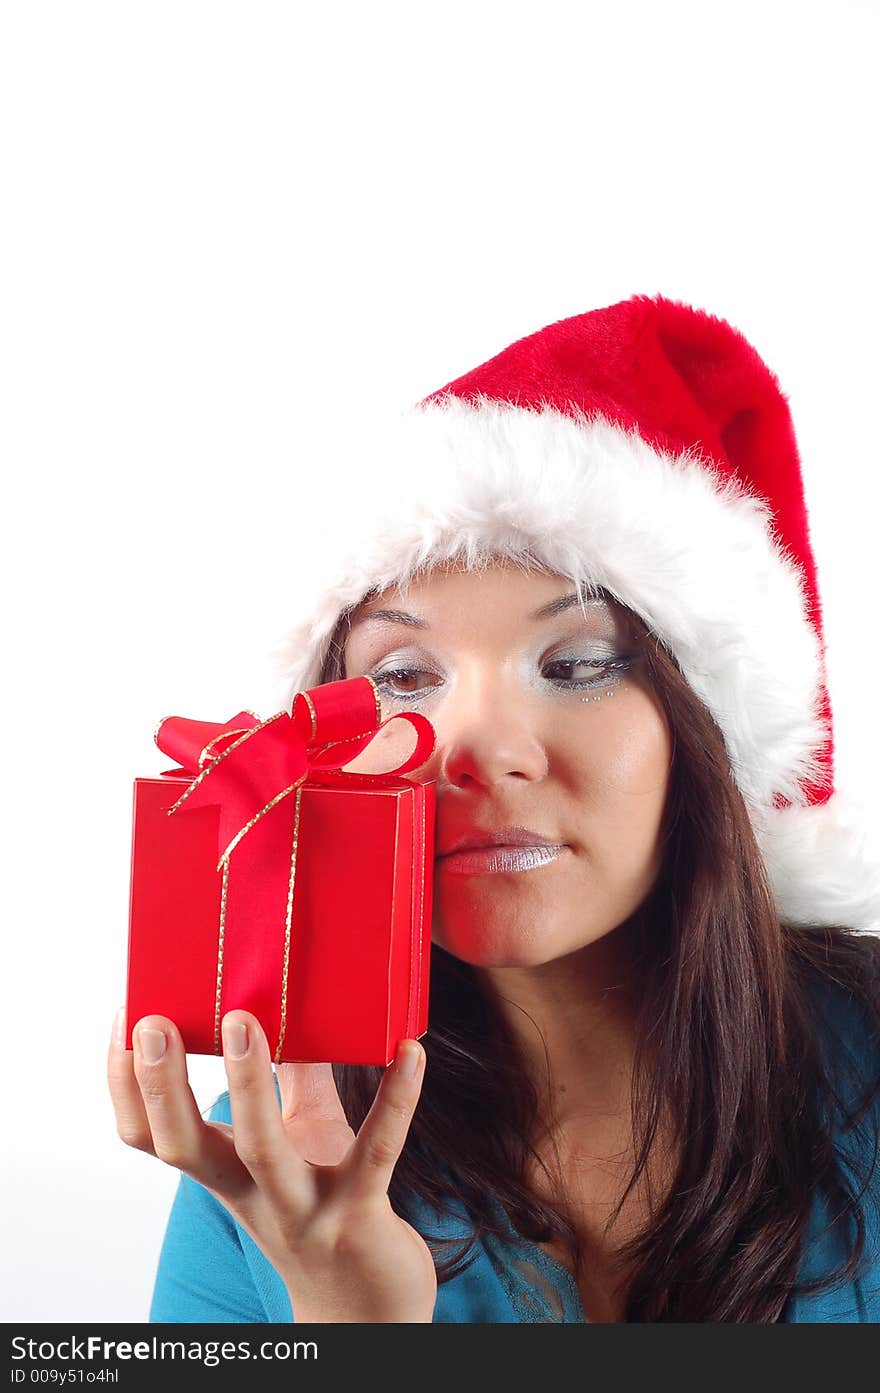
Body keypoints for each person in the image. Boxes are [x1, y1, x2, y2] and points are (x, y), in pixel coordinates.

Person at [108, 293, 880, 1323]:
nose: (479, 754)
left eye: (576, 664)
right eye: (402, 677)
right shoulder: (274, 1165)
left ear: (705, 734)